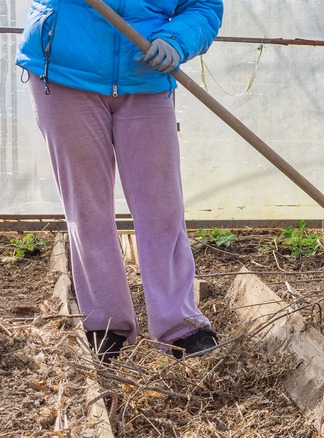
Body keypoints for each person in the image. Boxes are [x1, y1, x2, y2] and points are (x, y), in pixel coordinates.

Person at [16, 0, 224, 362]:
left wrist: (176, 40)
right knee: (87, 205)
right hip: (65, 72)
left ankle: (180, 327)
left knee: (162, 208)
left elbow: (203, 5)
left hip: (145, 75)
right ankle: (106, 323)